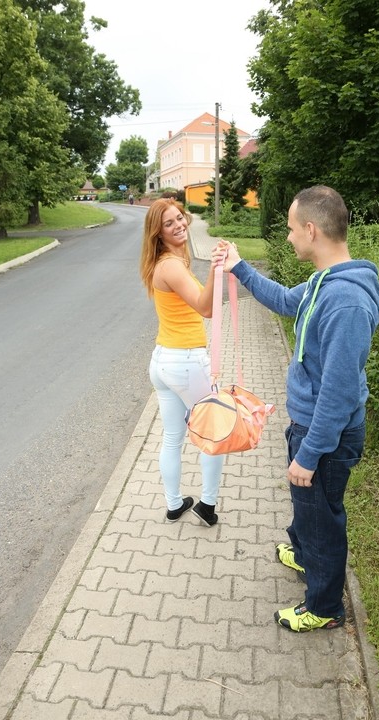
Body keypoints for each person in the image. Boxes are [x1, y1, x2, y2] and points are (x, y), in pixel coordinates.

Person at [215, 185, 379, 632]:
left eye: (291, 229)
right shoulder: (322, 282)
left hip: (323, 435)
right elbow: (288, 304)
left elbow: (339, 392)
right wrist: (239, 268)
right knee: (309, 510)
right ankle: (304, 551)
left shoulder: (345, 302)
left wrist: (309, 454)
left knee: (323, 520)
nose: (288, 238)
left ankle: (325, 607)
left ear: (311, 230)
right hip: (310, 428)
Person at [140, 198, 226, 527]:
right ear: (157, 233)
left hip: (163, 361)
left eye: (180, 218)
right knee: (215, 433)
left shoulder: (168, 260)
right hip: (186, 362)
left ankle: (175, 504)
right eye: (169, 223)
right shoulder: (172, 265)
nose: (178, 225)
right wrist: (217, 268)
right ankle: (207, 504)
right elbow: (206, 308)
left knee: (173, 437)